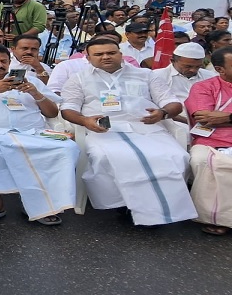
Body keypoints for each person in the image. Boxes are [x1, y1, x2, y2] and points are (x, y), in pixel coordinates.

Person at [59, 37, 195, 226]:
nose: (106, 57)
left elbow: (172, 103)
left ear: (121, 54)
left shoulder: (147, 75)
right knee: (105, 157)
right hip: (103, 130)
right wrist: (84, 120)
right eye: (98, 54)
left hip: (146, 127)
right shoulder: (79, 78)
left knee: (175, 156)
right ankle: (125, 205)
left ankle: (160, 207)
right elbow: (68, 108)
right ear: (88, 58)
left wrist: (163, 113)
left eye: (111, 52)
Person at [0, 44, 78, 225]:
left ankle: (39, 204)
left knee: (67, 148)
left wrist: (35, 92)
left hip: (33, 132)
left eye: (4, 61)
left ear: (10, 62)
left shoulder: (31, 79)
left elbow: (51, 113)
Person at [183, 46, 232, 235]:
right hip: (211, 140)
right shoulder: (204, 87)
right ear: (220, 70)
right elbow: (205, 117)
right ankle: (217, 217)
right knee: (202, 161)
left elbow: (218, 118)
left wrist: (225, 118)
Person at [150, 42, 217, 120]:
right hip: (171, 121)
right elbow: (158, 105)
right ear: (172, 61)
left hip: (207, 121)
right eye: (188, 66)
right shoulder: (157, 76)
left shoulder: (211, 76)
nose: (193, 70)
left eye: (198, 66)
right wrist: (189, 122)